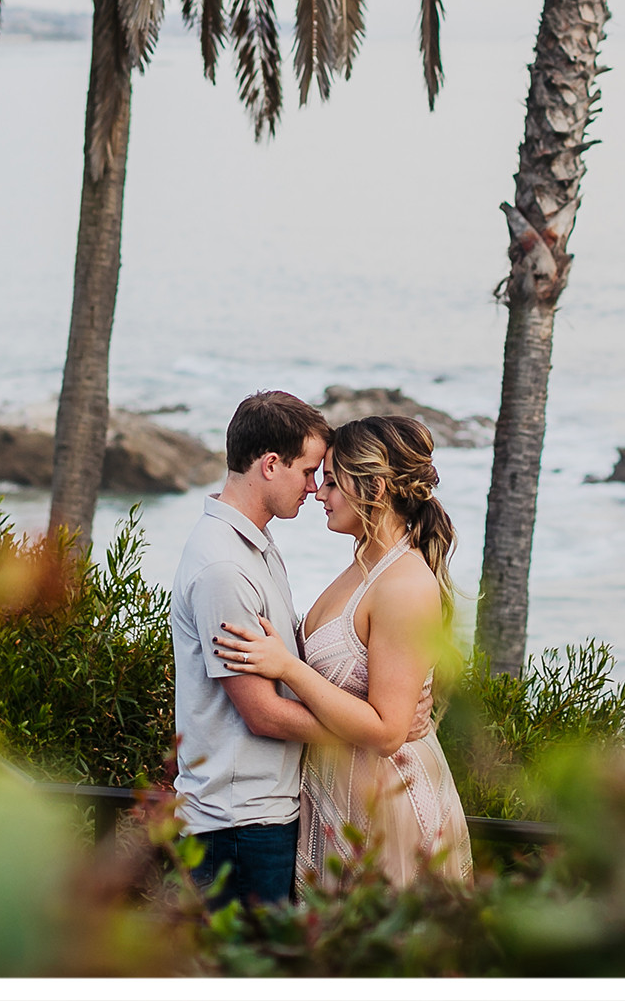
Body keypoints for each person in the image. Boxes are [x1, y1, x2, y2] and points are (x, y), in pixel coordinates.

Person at [215, 414, 473, 888]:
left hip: (390, 817)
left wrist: (289, 669)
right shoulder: (360, 564)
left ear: (373, 489)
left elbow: (387, 730)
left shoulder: (405, 585)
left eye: (331, 482)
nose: (318, 494)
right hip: (339, 810)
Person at [168, 389, 333, 910]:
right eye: (308, 471)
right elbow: (262, 713)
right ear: (269, 465)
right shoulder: (225, 568)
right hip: (237, 825)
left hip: (255, 818)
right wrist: (366, 729)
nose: (314, 487)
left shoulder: (252, 544)